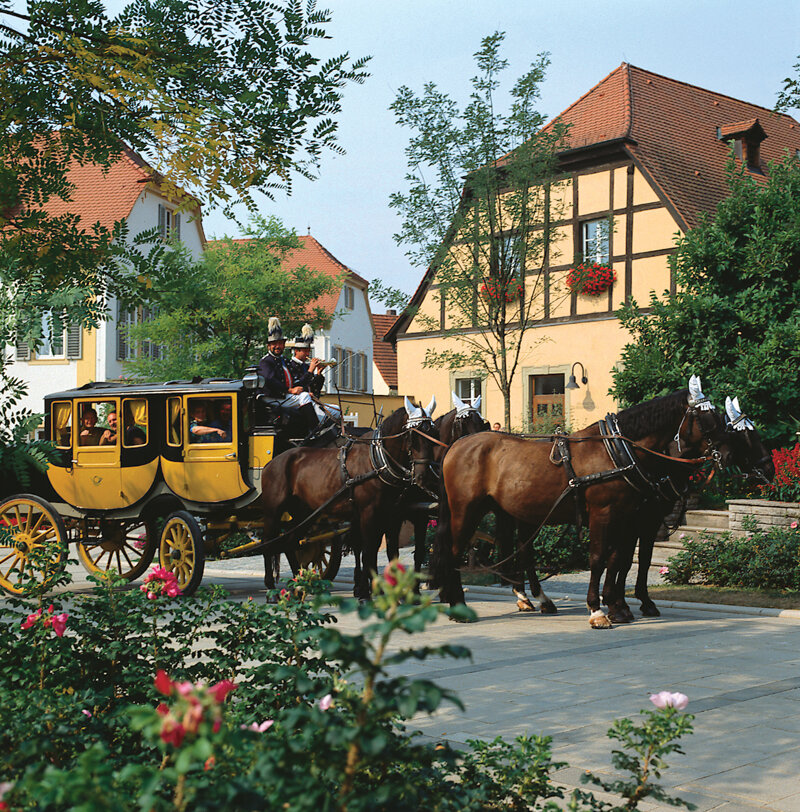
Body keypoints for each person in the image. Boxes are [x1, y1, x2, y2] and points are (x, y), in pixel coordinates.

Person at [257, 316, 319, 436]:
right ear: (268, 346)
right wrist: (290, 390)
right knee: (304, 397)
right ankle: (315, 432)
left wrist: (303, 385)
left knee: (306, 396)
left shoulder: (283, 361)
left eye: (280, 343)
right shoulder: (266, 361)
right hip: (272, 396)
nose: (277, 346)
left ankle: (310, 430)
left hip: (283, 395)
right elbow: (270, 380)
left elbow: (296, 381)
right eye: (274, 344)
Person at [286, 323, 325, 398]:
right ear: (296, 351)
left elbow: (315, 389)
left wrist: (319, 373)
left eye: (309, 351)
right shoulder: (290, 365)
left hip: (310, 399)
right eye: (305, 351)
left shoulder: (306, 366)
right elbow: (298, 385)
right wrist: (310, 371)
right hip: (298, 401)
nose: (308, 354)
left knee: (336, 409)